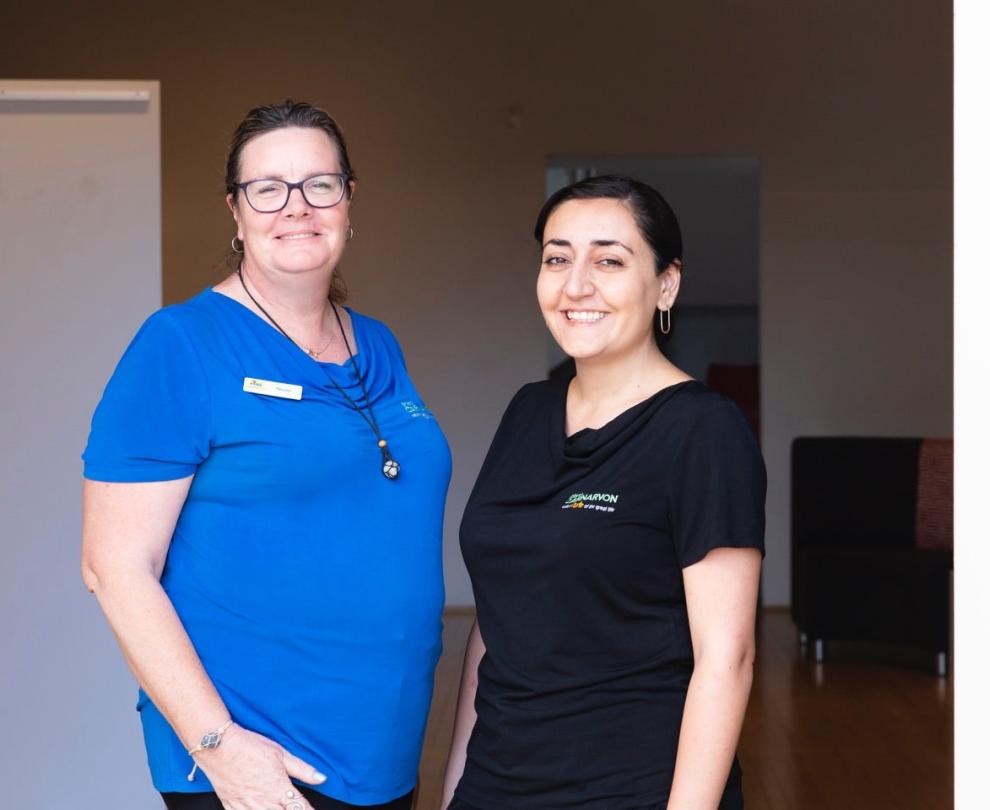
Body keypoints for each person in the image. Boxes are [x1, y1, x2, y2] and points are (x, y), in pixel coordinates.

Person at [81, 100, 451, 810]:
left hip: (383, 749)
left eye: (320, 184)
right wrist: (218, 744)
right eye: (267, 188)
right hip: (258, 761)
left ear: (349, 200)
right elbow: (114, 566)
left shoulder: (377, 342)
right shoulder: (180, 345)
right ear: (236, 209)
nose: (296, 207)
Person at [441, 176, 766, 810]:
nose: (576, 285)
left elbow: (727, 661)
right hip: (497, 782)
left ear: (666, 283)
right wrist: (458, 785)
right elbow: (497, 618)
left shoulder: (703, 430)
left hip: (632, 788)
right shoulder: (527, 411)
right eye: (557, 258)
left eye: (609, 260)